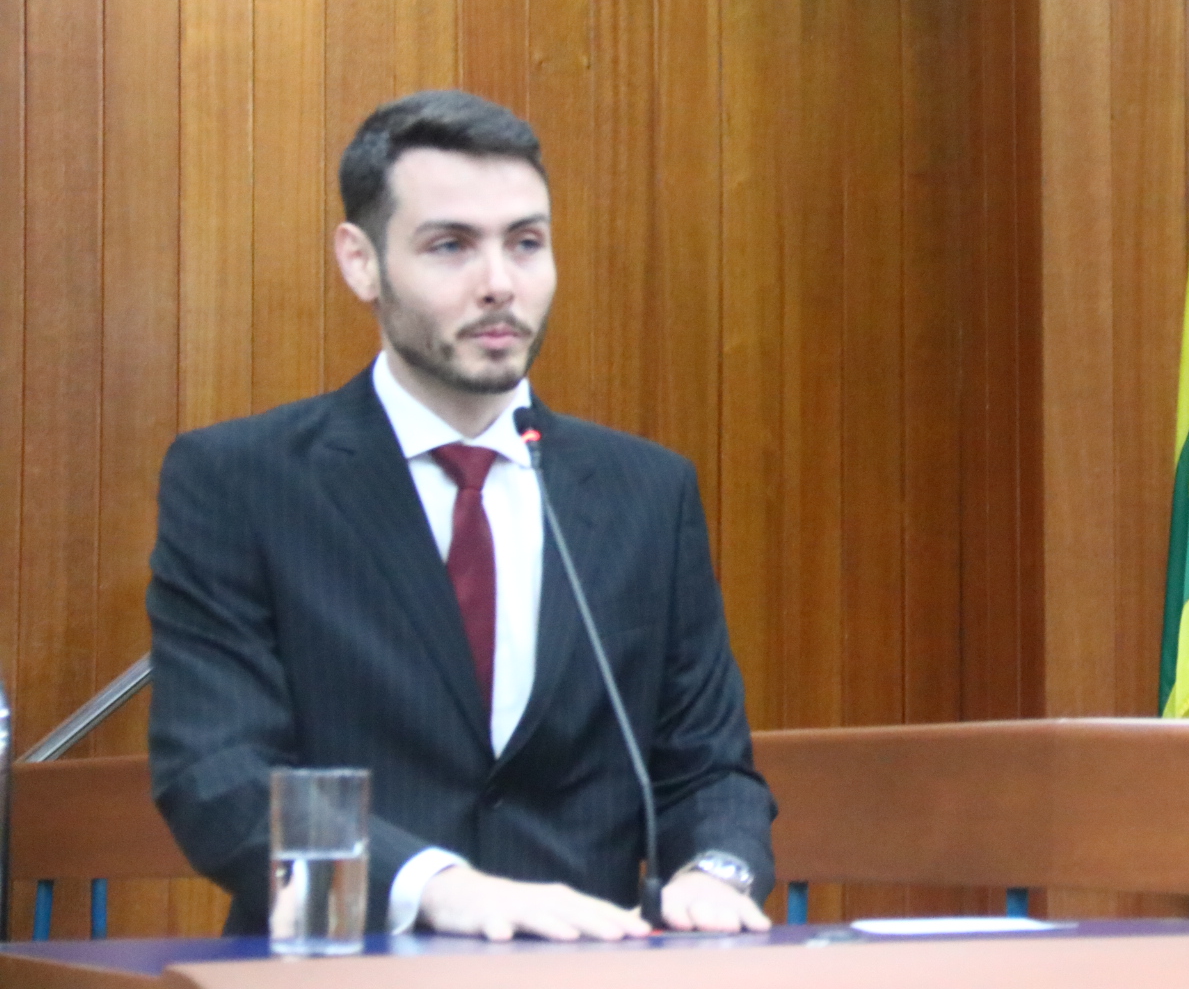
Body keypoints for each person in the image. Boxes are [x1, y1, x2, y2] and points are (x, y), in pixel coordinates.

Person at [147, 90, 774, 942]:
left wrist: (715, 868)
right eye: (451, 246)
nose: (500, 284)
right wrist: (439, 888)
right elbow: (219, 771)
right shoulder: (242, 481)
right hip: (344, 964)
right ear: (361, 262)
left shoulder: (646, 491)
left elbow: (708, 768)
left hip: (588, 962)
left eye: (526, 243)